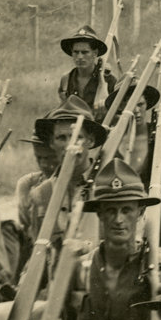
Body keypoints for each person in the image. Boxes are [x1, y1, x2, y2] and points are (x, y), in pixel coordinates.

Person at [70, 159, 161, 320]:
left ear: (140, 213)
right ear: (99, 213)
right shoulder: (81, 268)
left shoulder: (156, 267)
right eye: (110, 210)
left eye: (126, 210)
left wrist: (156, 283)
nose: (118, 219)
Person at [25, 96, 108, 248]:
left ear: (90, 141)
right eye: (62, 138)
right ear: (52, 143)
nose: (69, 145)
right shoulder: (40, 194)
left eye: (77, 137)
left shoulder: (106, 188)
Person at [57, 25, 116, 118]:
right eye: (76, 52)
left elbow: (116, 115)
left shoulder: (108, 80)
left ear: (95, 53)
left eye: (85, 52)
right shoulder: (66, 80)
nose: (80, 57)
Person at [15, 130, 59, 241]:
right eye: (38, 158)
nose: (43, 164)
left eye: (50, 157)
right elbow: (26, 229)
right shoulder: (27, 185)